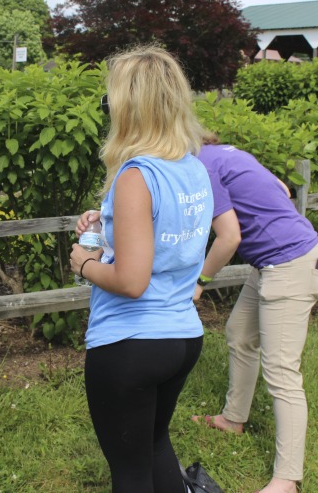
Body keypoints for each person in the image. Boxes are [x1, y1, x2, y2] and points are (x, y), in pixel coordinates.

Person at [69, 45, 213, 493]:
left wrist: (86, 263)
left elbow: (131, 281)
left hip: (131, 342)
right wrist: (109, 222)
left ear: (128, 106)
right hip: (182, 336)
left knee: (130, 473)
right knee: (154, 445)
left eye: (108, 100)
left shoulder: (136, 175)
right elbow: (168, 237)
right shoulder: (192, 167)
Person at [191, 133, 318, 493]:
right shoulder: (226, 154)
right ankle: (233, 418)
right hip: (277, 260)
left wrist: (200, 281)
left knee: (281, 370)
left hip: (290, 264)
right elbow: (282, 189)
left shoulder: (202, 166)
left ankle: (287, 479)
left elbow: (229, 238)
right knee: (239, 333)